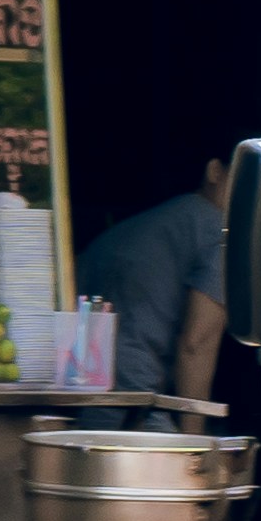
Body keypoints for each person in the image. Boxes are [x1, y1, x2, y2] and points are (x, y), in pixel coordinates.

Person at [84, 153, 234, 418]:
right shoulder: (220, 234)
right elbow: (196, 345)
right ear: (214, 171)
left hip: (78, 387)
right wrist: (196, 447)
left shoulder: (158, 222)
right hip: (130, 399)